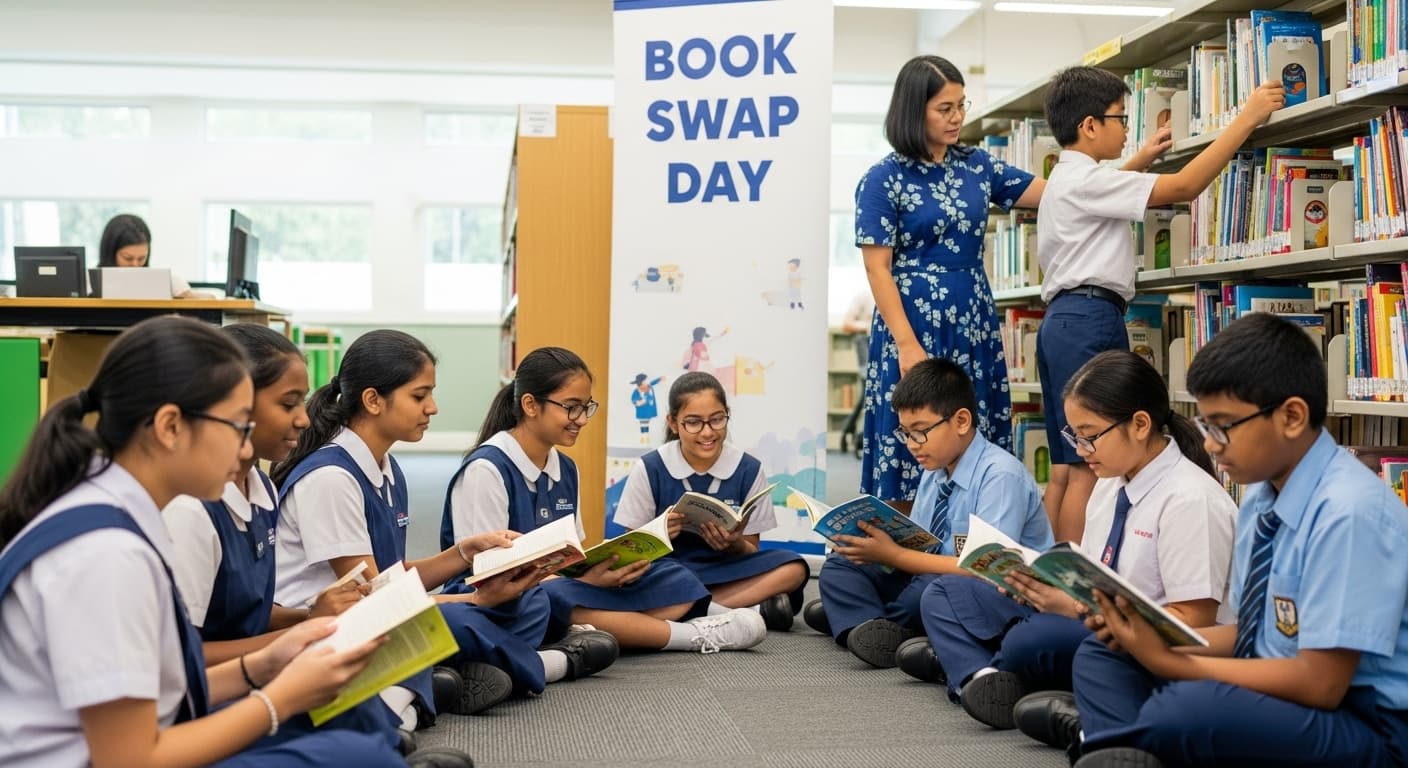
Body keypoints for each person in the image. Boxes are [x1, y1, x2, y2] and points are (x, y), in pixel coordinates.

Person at [0, 315, 405, 767]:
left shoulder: (116, 511)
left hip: (137, 738)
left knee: (350, 730)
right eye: (238, 426)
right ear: (171, 426)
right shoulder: (109, 556)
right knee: (356, 755)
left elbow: (163, 691)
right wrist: (281, 698)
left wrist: (263, 665)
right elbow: (130, 759)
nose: (245, 449)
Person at [1054, 313, 1408, 768]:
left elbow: (1321, 684)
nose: (1211, 445)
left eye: (1223, 427)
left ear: (1291, 416)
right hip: (1279, 686)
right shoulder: (1262, 496)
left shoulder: (1348, 512)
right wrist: (1149, 640)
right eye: (1206, 427)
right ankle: (1122, 743)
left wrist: (1172, 663)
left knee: (1186, 708)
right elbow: (1250, 635)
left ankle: (1109, 739)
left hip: (1366, 722)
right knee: (1109, 653)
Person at [272, 331, 616, 728]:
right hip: (333, 628)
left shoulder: (385, 469)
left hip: (375, 614)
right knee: (459, 620)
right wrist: (474, 601)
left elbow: (389, 577)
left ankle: (433, 685)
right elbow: (374, 604)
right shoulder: (332, 478)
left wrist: (463, 552)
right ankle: (553, 663)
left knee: (525, 602)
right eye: (420, 396)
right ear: (373, 400)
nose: (432, 407)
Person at [912, 350, 1233, 734]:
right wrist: (1043, 585)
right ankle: (986, 675)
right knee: (947, 590)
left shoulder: (1190, 499)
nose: (1080, 450)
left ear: (1140, 424)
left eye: (1089, 436)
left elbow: (1192, 625)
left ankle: (974, 668)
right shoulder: (1110, 483)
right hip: (1094, 618)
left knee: (1031, 640)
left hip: (1145, 641)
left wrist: (1073, 607)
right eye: (1074, 436)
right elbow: (1094, 575)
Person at [160, 324, 435, 758]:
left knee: (361, 708)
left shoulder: (260, 489)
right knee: (358, 729)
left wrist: (306, 618)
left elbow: (249, 609)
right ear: (232, 406)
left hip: (257, 665)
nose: (306, 418)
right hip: (212, 692)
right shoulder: (190, 512)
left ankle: (388, 723)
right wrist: (288, 642)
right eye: (288, 404)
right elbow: (180, 663)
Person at [1034, 67, 1283, 543]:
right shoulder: (1088, 181)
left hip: (1062, 322)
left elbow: (1103, 196)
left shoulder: (1066, 179)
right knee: (1090, 468)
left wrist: (1141, 159)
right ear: (1090, 126)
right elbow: (1185, 185)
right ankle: (1078, 580)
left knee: (1067, 469)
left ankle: (1048, 571)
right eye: (1120, 117)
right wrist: (1247, 117)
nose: (1126, 128)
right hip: (1090, 319)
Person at [444, 347, 768, 654]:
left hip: (561, 585)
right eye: (571, 407)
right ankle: (692, 636)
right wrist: (586, 581)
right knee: (550, 597)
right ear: (530, 405)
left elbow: (571, 555)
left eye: (586, 407)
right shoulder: (487, 469)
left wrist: (602, 571)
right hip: (499, 597)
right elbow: (490, 576)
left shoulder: (565, 468)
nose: (582, 419)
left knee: (667, 573)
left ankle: (599, 627)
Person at [854, 55, 1044, 510]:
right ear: (913, 110)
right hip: (912, 326)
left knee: (974, 432)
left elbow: (1053, 194)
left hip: (973, 322)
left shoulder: (977, 165)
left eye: (961, 105)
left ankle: (977, 537)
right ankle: (901, 548)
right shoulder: (882, 179)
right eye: (945, 108)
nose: (958, 117)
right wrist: (906, 345)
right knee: (911, 441)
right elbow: (877, 269)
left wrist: (1130, 173)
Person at [804, 358, 1051, 668]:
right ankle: (873, 627)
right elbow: (921, 543)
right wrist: (875, 543)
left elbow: (985, 570)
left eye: (920, 432)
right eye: (906, 433)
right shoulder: (935, 468)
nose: (912, 445)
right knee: (841, 564)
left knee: (928, 592)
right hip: (931, 573)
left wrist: (894, 555)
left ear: (961, 421)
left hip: (984, 588)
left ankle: (861, 620)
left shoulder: (1000, 476)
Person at [612, 371, 809, 631]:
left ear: (727, 415)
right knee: (649, 579)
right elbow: (632, 552)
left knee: (794, 566)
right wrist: (659, 533)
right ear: (673, 423)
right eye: (693, 423)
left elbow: (751, 549)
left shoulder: (748, 468)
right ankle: (747, 608)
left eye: (717, 420)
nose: (707, 432)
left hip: (725, 568)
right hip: (669, 570)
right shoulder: (650, 467)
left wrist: (734, 544)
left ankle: (686, 610)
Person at [98, 213, 202, 298]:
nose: (135, 265)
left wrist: (184, 293)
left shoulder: (170, 283)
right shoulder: (91, 285)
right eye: (128, 258)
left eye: (141, 258)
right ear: (110, 253)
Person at [839, 289, 875, 456]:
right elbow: (846, 324)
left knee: (867, 395)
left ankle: (848, 428)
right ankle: (859, 436)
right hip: (866, 345)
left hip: (879, 346)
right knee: (869, 392)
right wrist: (869, 325)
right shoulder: (864, 296)